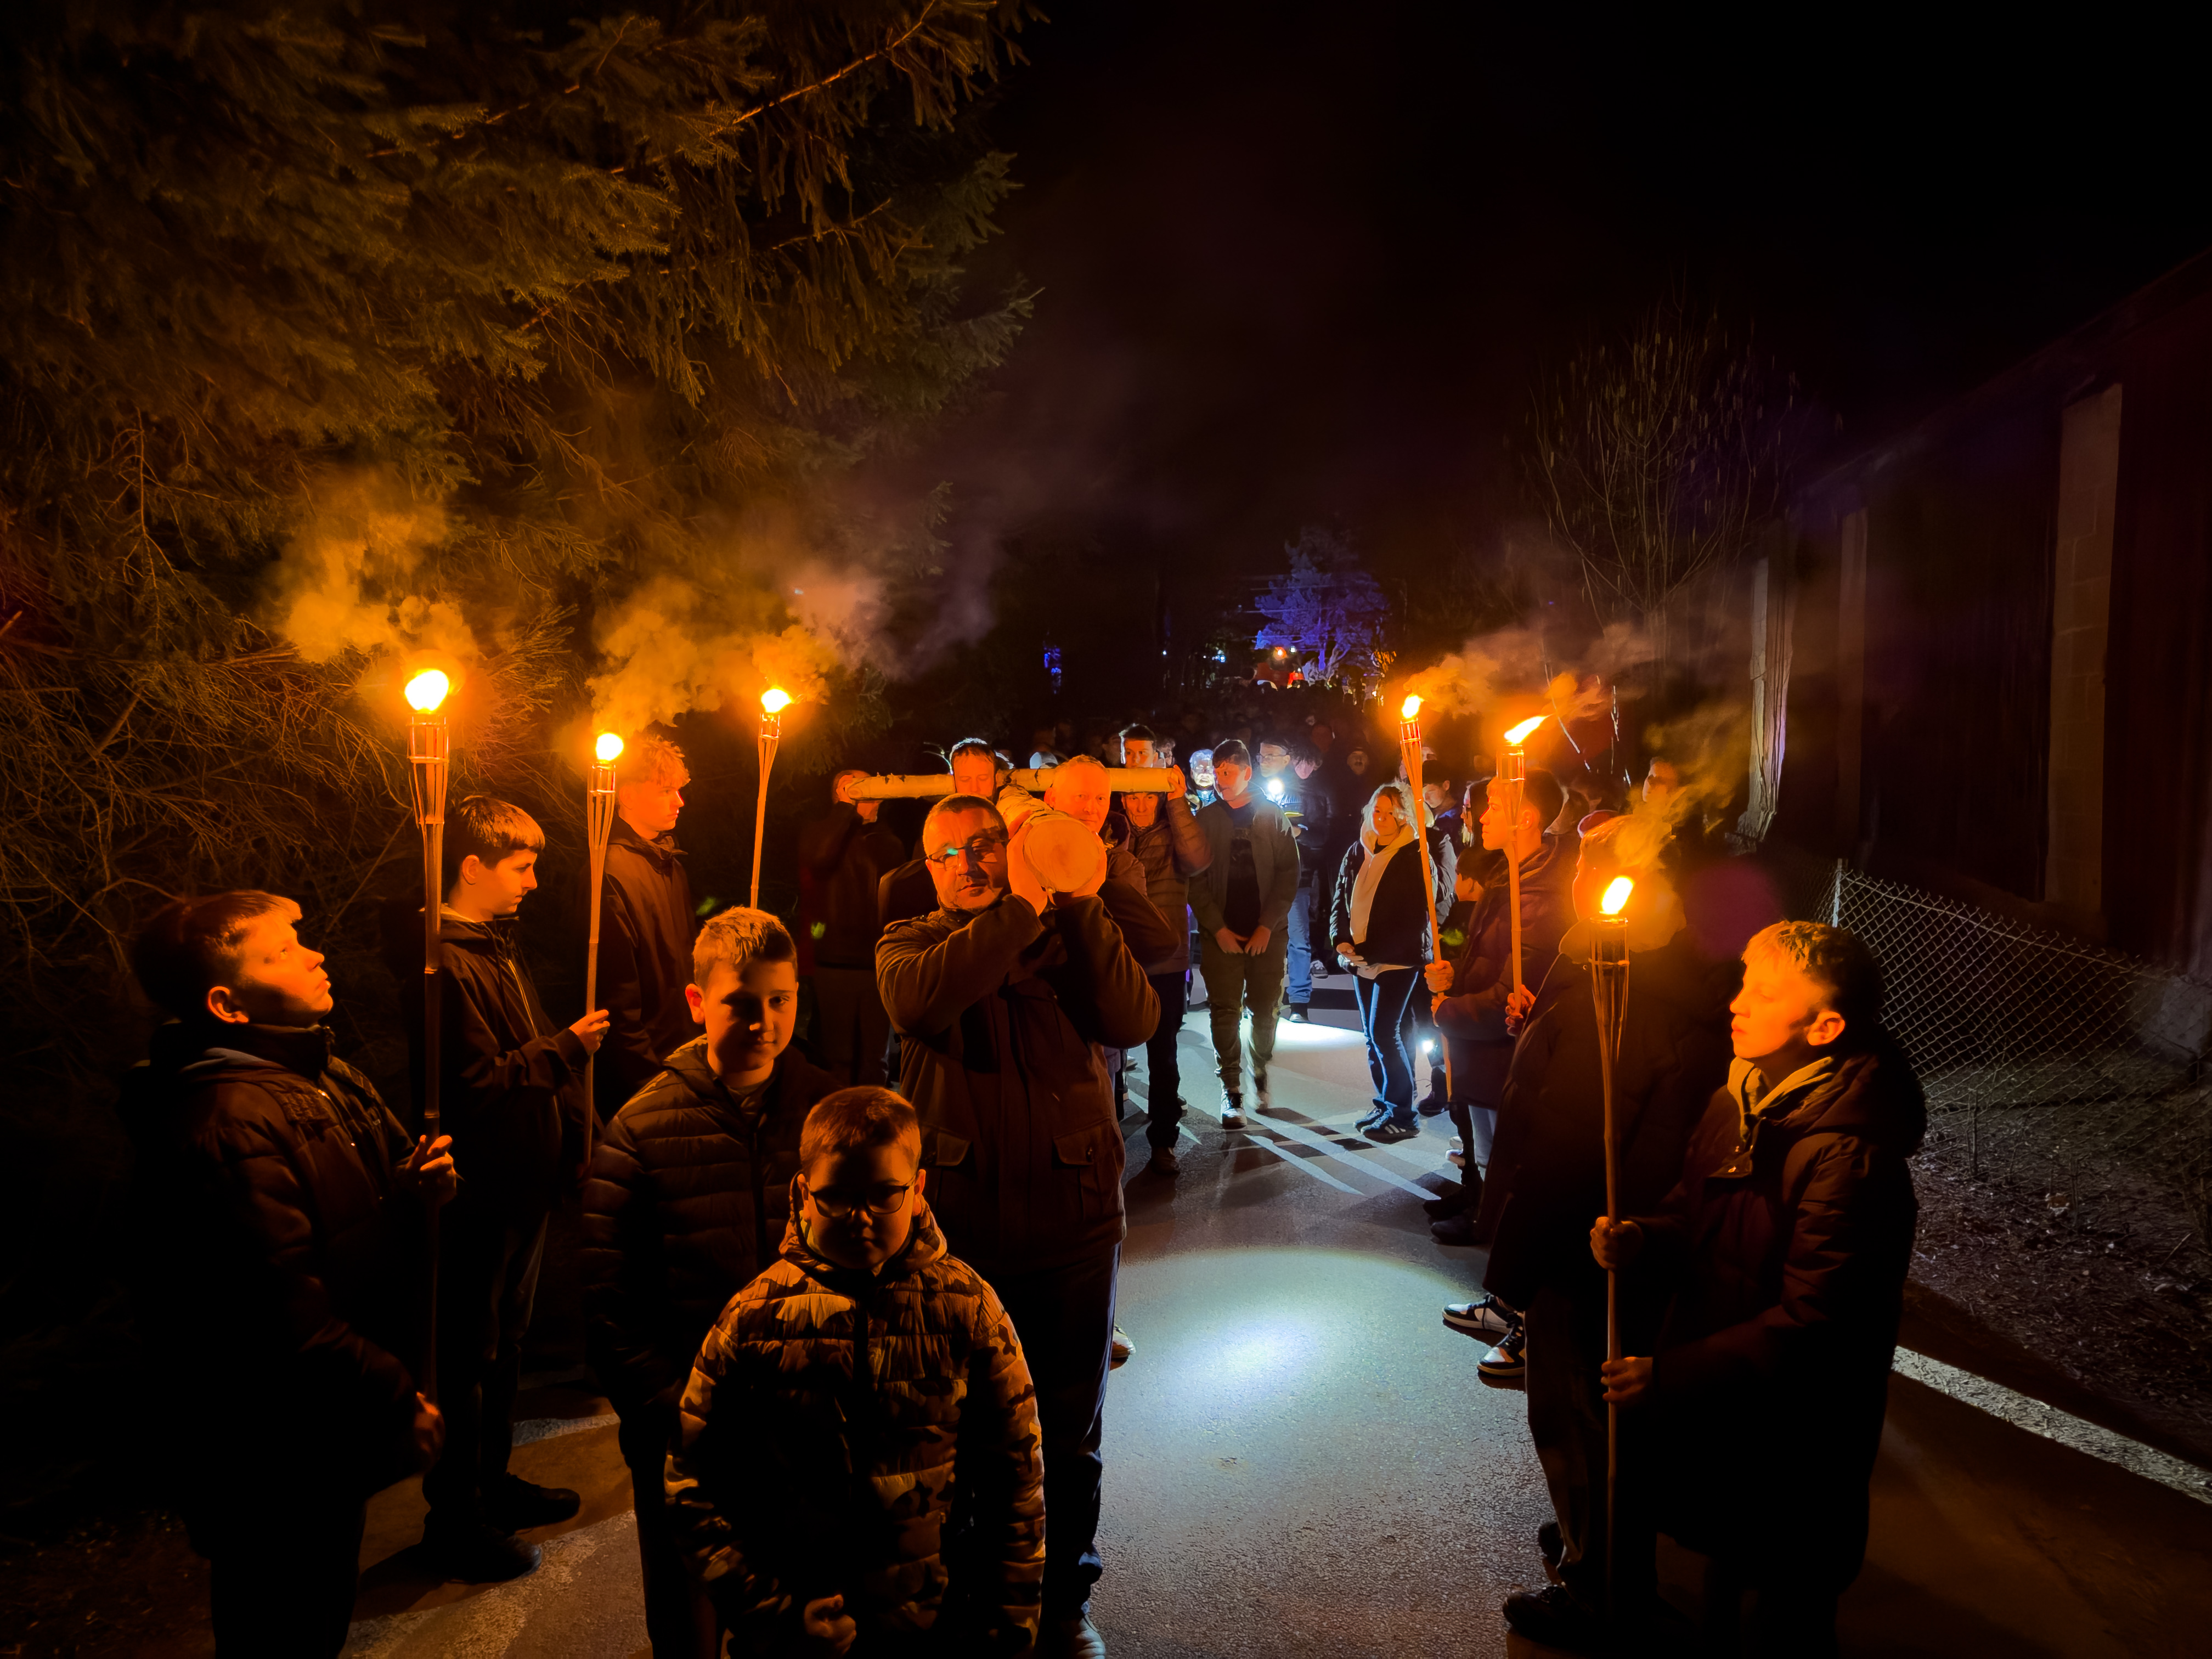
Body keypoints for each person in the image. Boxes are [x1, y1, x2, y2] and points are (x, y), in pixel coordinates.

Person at [121, 892, 453, 1656]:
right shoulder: (228, 1125)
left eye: (301, 938)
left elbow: (340, 1233)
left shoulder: (312, 1075)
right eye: (281, 952)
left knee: (319, 1615)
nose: (316, 956)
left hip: (320, 1439)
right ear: (226, 1004)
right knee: (283, 1626)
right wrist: (397, 1396)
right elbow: (281, 1318)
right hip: (271, 1459)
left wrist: (410, 1193)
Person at [1585, 923, 1923, 1658]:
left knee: (1782, 1606)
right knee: (1727, 1579)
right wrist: (1643, 1235)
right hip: (1735, 1411)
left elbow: (1818, 1318)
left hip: (1800, 1435)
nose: (1738, 1003)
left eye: (1765, 994)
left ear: (1824, 1027)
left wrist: (1669, 1374)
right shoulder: (1739, 1098)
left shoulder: (1847, 1159)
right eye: (1743, 981)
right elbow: (1694, 1211)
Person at [877, 793, 1158, 1659]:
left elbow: (1135, 1018)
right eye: (947, 852)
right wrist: (1020, 911)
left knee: (1069, 1435)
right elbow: (922, 1003)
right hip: (958, 1237)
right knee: (962, 1430)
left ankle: (1064, 1598)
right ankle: (974, 1601)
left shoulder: (1069, 932)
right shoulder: (909, 943)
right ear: (928, 869)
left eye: (984, 845)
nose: (967, 863)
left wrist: (1080, 901)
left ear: (1013, 850)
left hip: (1074, 1224)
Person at [667, 1087, 1047, 1658]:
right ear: (803, 1193)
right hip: (799, 1633)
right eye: (837, 1197)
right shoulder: (752, 1318)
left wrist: (1010, 1631)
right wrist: (773, 1614)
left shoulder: (968, 1308)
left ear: (918, 1189)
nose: (860, 1217)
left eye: (884, 1194)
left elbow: (1016, 1481)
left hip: (941, 1626)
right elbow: (692, 1483)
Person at [1476, 817, 1734, 1643]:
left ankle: (1600, 1586)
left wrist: (1523, 1261)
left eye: (1598, 865)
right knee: (1599, 1416)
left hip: (1586, 1244)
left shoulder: (1629, 1005)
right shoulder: (1614, 977)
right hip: (1617, 1238)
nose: (1581, 877)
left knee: (1579, 1417)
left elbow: (1573, 1142)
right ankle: (1595, 1541)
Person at [583, 907, 839, 1658]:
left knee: (798, 1621)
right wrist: (680, 1418)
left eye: (780, 1000)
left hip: (804, 1431)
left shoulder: (829, 1113)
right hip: (689, 1441)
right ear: (698, 1003)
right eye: (741, 1002)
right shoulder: (641, 1132)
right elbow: (610, 1307)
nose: (764, 1022)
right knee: (690, 1622)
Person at [381, 796, 603, 1579]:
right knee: (469, 1357)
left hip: (524, 1183)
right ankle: (457, 1517)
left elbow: (522, 1051)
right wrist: (566, 1049)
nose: (534, 882)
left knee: (506, 1346)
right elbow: (476, 1084)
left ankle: (492, 1482)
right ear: (471, 867)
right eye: (521, 867)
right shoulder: (442, 966)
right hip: (479, 1191)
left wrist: (577, 1135)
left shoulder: (494, 948)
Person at [1425, 771, 1573, 1248]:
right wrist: (1453, 975)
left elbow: (1510, 993)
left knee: (1500, 1154)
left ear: (1525, 818)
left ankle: (1490, 1230)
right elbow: (1487, 960)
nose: (1482, 816)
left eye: (1494, 806)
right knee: (1484, 1147)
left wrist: (1448, 1011)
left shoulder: (1538, 897)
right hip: (1482, 1050)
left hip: (1501, 1051)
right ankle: (1479, 1206)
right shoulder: (1510, 877)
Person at [1330, 781, 1457, 1143]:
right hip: (1360, 958)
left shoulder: (1415, 853)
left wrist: (1374, 950)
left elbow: (1417, 916)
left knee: (1386, 1032)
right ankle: (1385, 1103)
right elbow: (1341, 896)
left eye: (1390, 812)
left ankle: (1403, 1113)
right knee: (1373, 1036)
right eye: (1377, 811)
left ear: (1404, 817)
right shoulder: (1359, 848)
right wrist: (1341, 939)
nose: (1382, 818)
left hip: (1397, 959)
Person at [1187, 740, 1299, 1129]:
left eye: (1228, 772)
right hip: (1222, 935)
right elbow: (1195, 878)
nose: (1221, 780)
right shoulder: (1206, 819)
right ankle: (1231, 1087)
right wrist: (1216, 928)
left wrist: (1267, 925)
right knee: (1225, 1011)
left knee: (1267, 1009)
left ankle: (1260, 1065)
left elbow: (1288, 874)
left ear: (1247, 773)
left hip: (1267, 934)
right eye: (1217, 772)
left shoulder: (1271, 816)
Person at [1117, 723, 1212, 1175]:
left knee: (1163, 1052)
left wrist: (1175, 802)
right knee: (1109, 1050)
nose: (1139, 804)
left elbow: (1197, 859)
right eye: (1131, 797)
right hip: (1118, 955)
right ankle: (1108, 1131)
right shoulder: (1113, 829)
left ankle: (1163, 1141)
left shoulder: (1174, 824)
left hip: (1165, 960)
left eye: (1147, 797)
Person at [590, 732, 698, 1121]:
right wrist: (647, 1081)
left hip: (683, 1054)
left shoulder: (670, 864)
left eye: (679, 790)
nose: (679, 801)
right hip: (643, 1075)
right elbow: (616, 996)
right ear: (629, 796)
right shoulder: (609, 872)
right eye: (666, 790)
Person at [798, 770, 906, 1086]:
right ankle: (836, 1113)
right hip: (834, 964)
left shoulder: (889, 842)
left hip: (876, 965)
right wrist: (847, 809)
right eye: (855, 787)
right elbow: (818, 857)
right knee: (837, 1058)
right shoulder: (820, 835)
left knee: (875, 1060)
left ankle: (873, 1114)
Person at [1255, 734, 1324, 1022]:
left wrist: (1298, 832)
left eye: (1270, 756)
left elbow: (1321, 836)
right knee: (1260, 937)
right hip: (1260, 879)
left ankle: (1299, 1002)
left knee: (1297, 941)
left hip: (1297, 877)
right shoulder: (1253, 791)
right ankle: (1261, 997)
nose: (1264, 762)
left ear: (1286, 760)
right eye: (1261, 756)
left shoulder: (1305, 793)